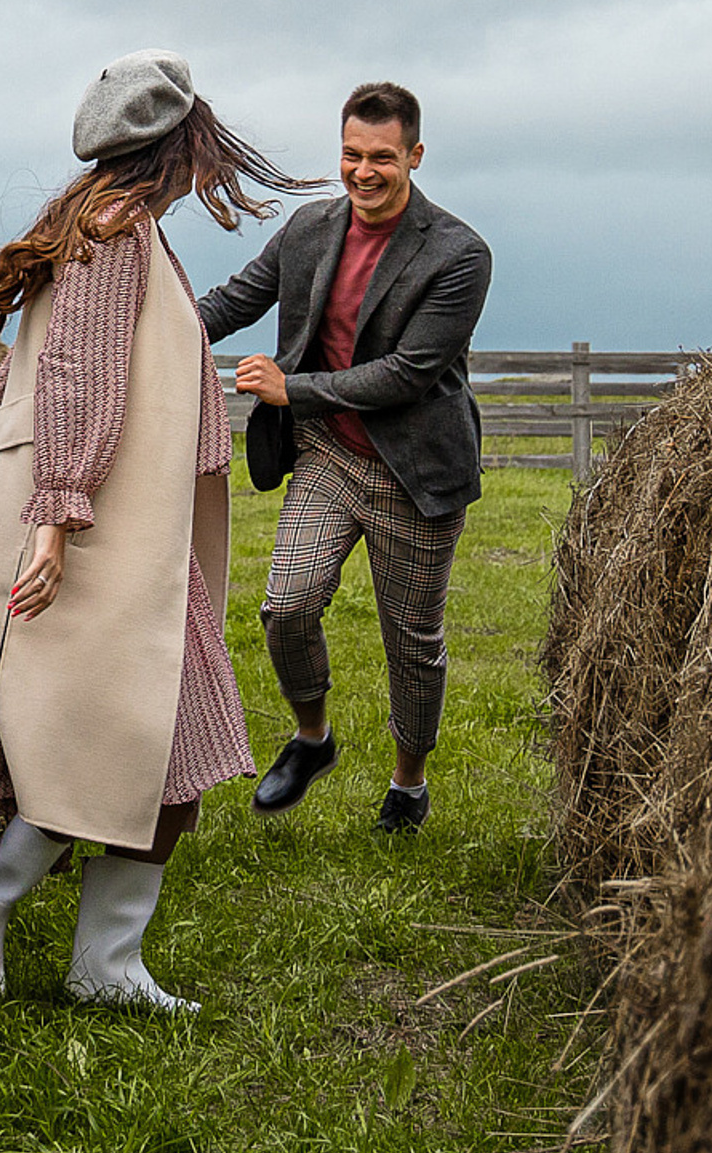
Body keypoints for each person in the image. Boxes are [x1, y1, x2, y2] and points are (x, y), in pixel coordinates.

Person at [0, 50, 312, 1011]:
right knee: (110, 739)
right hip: (95, 530)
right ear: (179, 146)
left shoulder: (117, 227)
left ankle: (107, 960)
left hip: (128, 531)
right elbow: (76, 378)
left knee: (165, 748)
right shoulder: (112, 231)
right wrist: (56, 516)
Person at [197, 82, 491, 834]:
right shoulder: (309, 229)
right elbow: (234, 301)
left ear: (415, 156)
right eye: (352, 155)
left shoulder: (459, 255)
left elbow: (407, 374)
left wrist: (290, 388)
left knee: (412, 644)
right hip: (330, 457)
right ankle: (312, 737)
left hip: (416, 474)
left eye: (383, 158)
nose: (364, 171)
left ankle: (408, 782)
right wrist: (144, 319)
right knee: (285, 608)